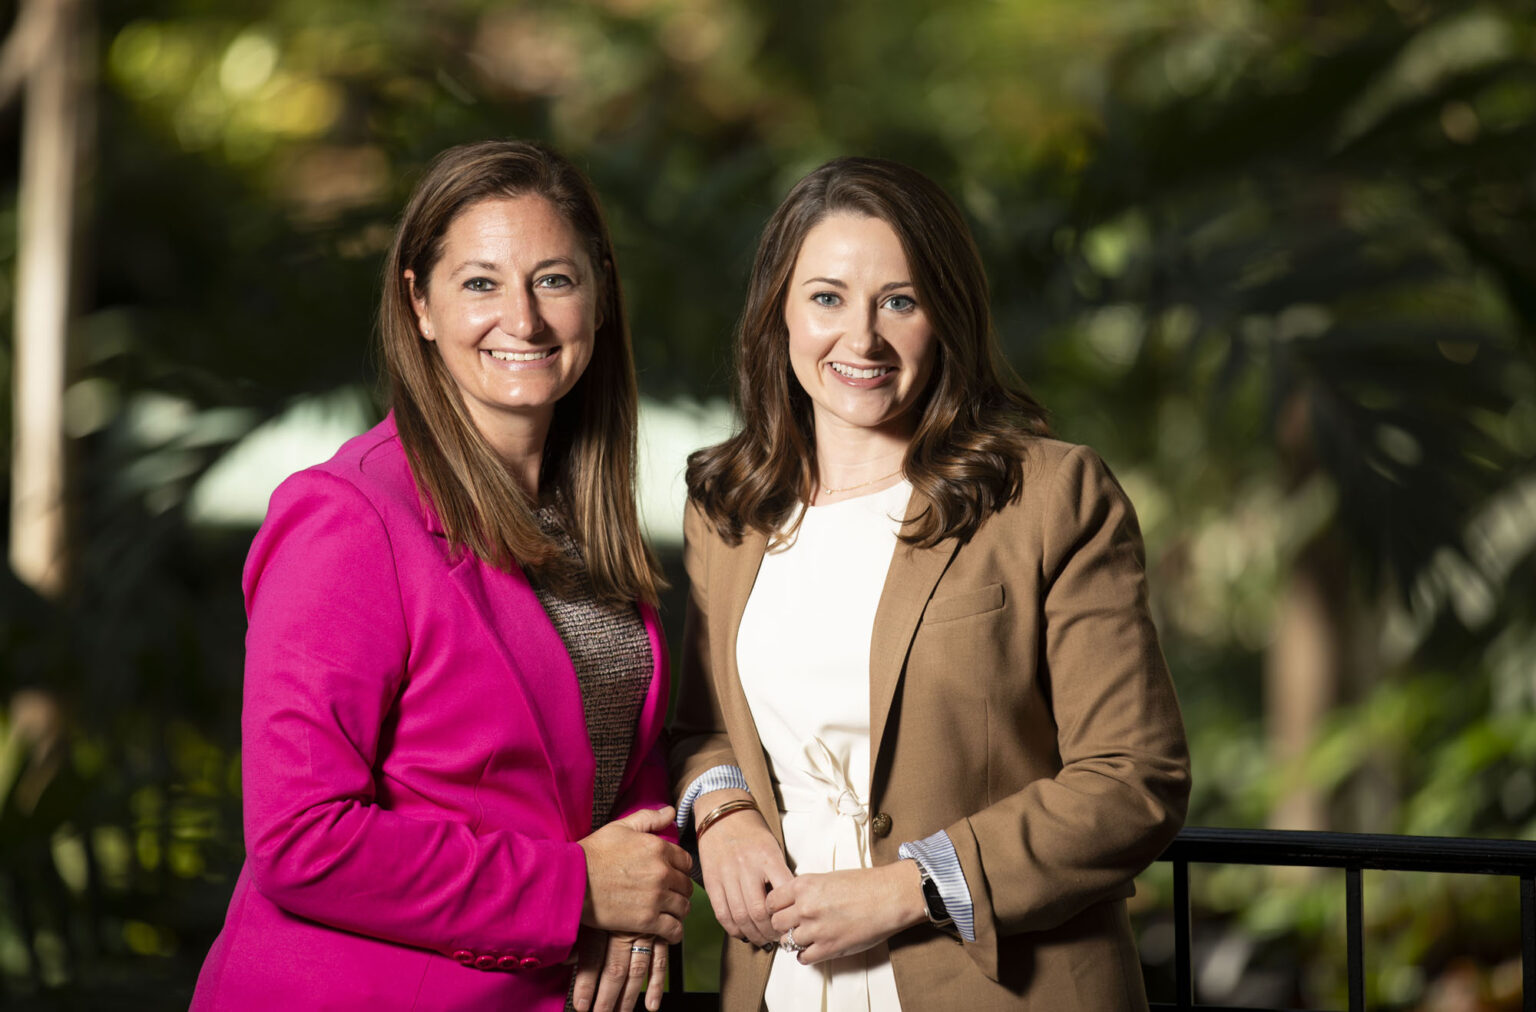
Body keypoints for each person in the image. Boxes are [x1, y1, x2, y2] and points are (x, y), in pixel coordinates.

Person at [670, 156, 1191, 1010]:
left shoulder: (1048, 496)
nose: (862, 339)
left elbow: (1135, 777)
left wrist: (908, 886)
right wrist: (721, 814)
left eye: (899, 302)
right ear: (780, 315)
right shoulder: (727, 510)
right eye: (827, 298)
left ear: (946, 315)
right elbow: (700, 730)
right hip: (785, 985)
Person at [193, 140, 692, 1012]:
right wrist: (576, 890)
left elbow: (614, 757)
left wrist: (641, 878)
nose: (524, 321)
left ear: (601, 295)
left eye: (555, 280)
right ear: (419, 304)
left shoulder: (585, 519)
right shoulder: (347, 519)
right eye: (480, 283)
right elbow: (302, 839)